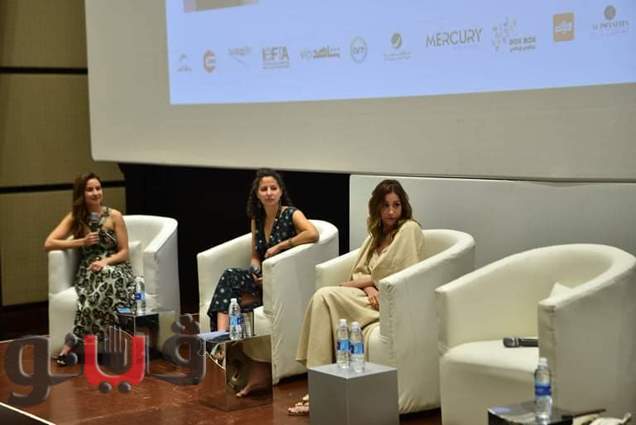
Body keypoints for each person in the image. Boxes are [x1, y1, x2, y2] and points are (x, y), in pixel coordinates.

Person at [288, 179, 425, 416]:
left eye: (396, 205)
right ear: (377, 207)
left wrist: (359, 284)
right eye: (385, 205)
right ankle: (321, 387)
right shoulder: (375, 236)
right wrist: (369, 287)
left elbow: (398, 272)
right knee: (322, 298)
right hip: (369, 297)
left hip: (390, 299)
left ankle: (320, 390)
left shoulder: (409, 229)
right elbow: (363, 272)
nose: (391, 212)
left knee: (325, 296)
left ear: (403, 206)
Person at [207, 168, 319, 332]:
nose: (269, 193)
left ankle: (223, 337)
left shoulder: (291, 214)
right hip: (261, 281)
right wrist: (255, 270)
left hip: (283, 279)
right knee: (230, 276)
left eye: (273, 188)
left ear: (281, 191)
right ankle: (222, 336)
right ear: (257, 194)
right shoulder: (257, 219)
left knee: (231, 299)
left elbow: (313, 233)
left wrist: (281, 245)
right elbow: (255, 256)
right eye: (264, 189)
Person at [44, 172, 138, 366]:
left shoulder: (114, 216)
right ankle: (117, 341)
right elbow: (49, 243)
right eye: (90, 190)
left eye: (98, 188)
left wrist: (106, 262)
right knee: (99, 287)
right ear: (82, 194)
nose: (96, 193)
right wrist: (81, 242)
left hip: (116, 266)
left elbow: (124, 252)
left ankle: (73, 341)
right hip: (89, 270)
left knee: (105, 282)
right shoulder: (76, 217)